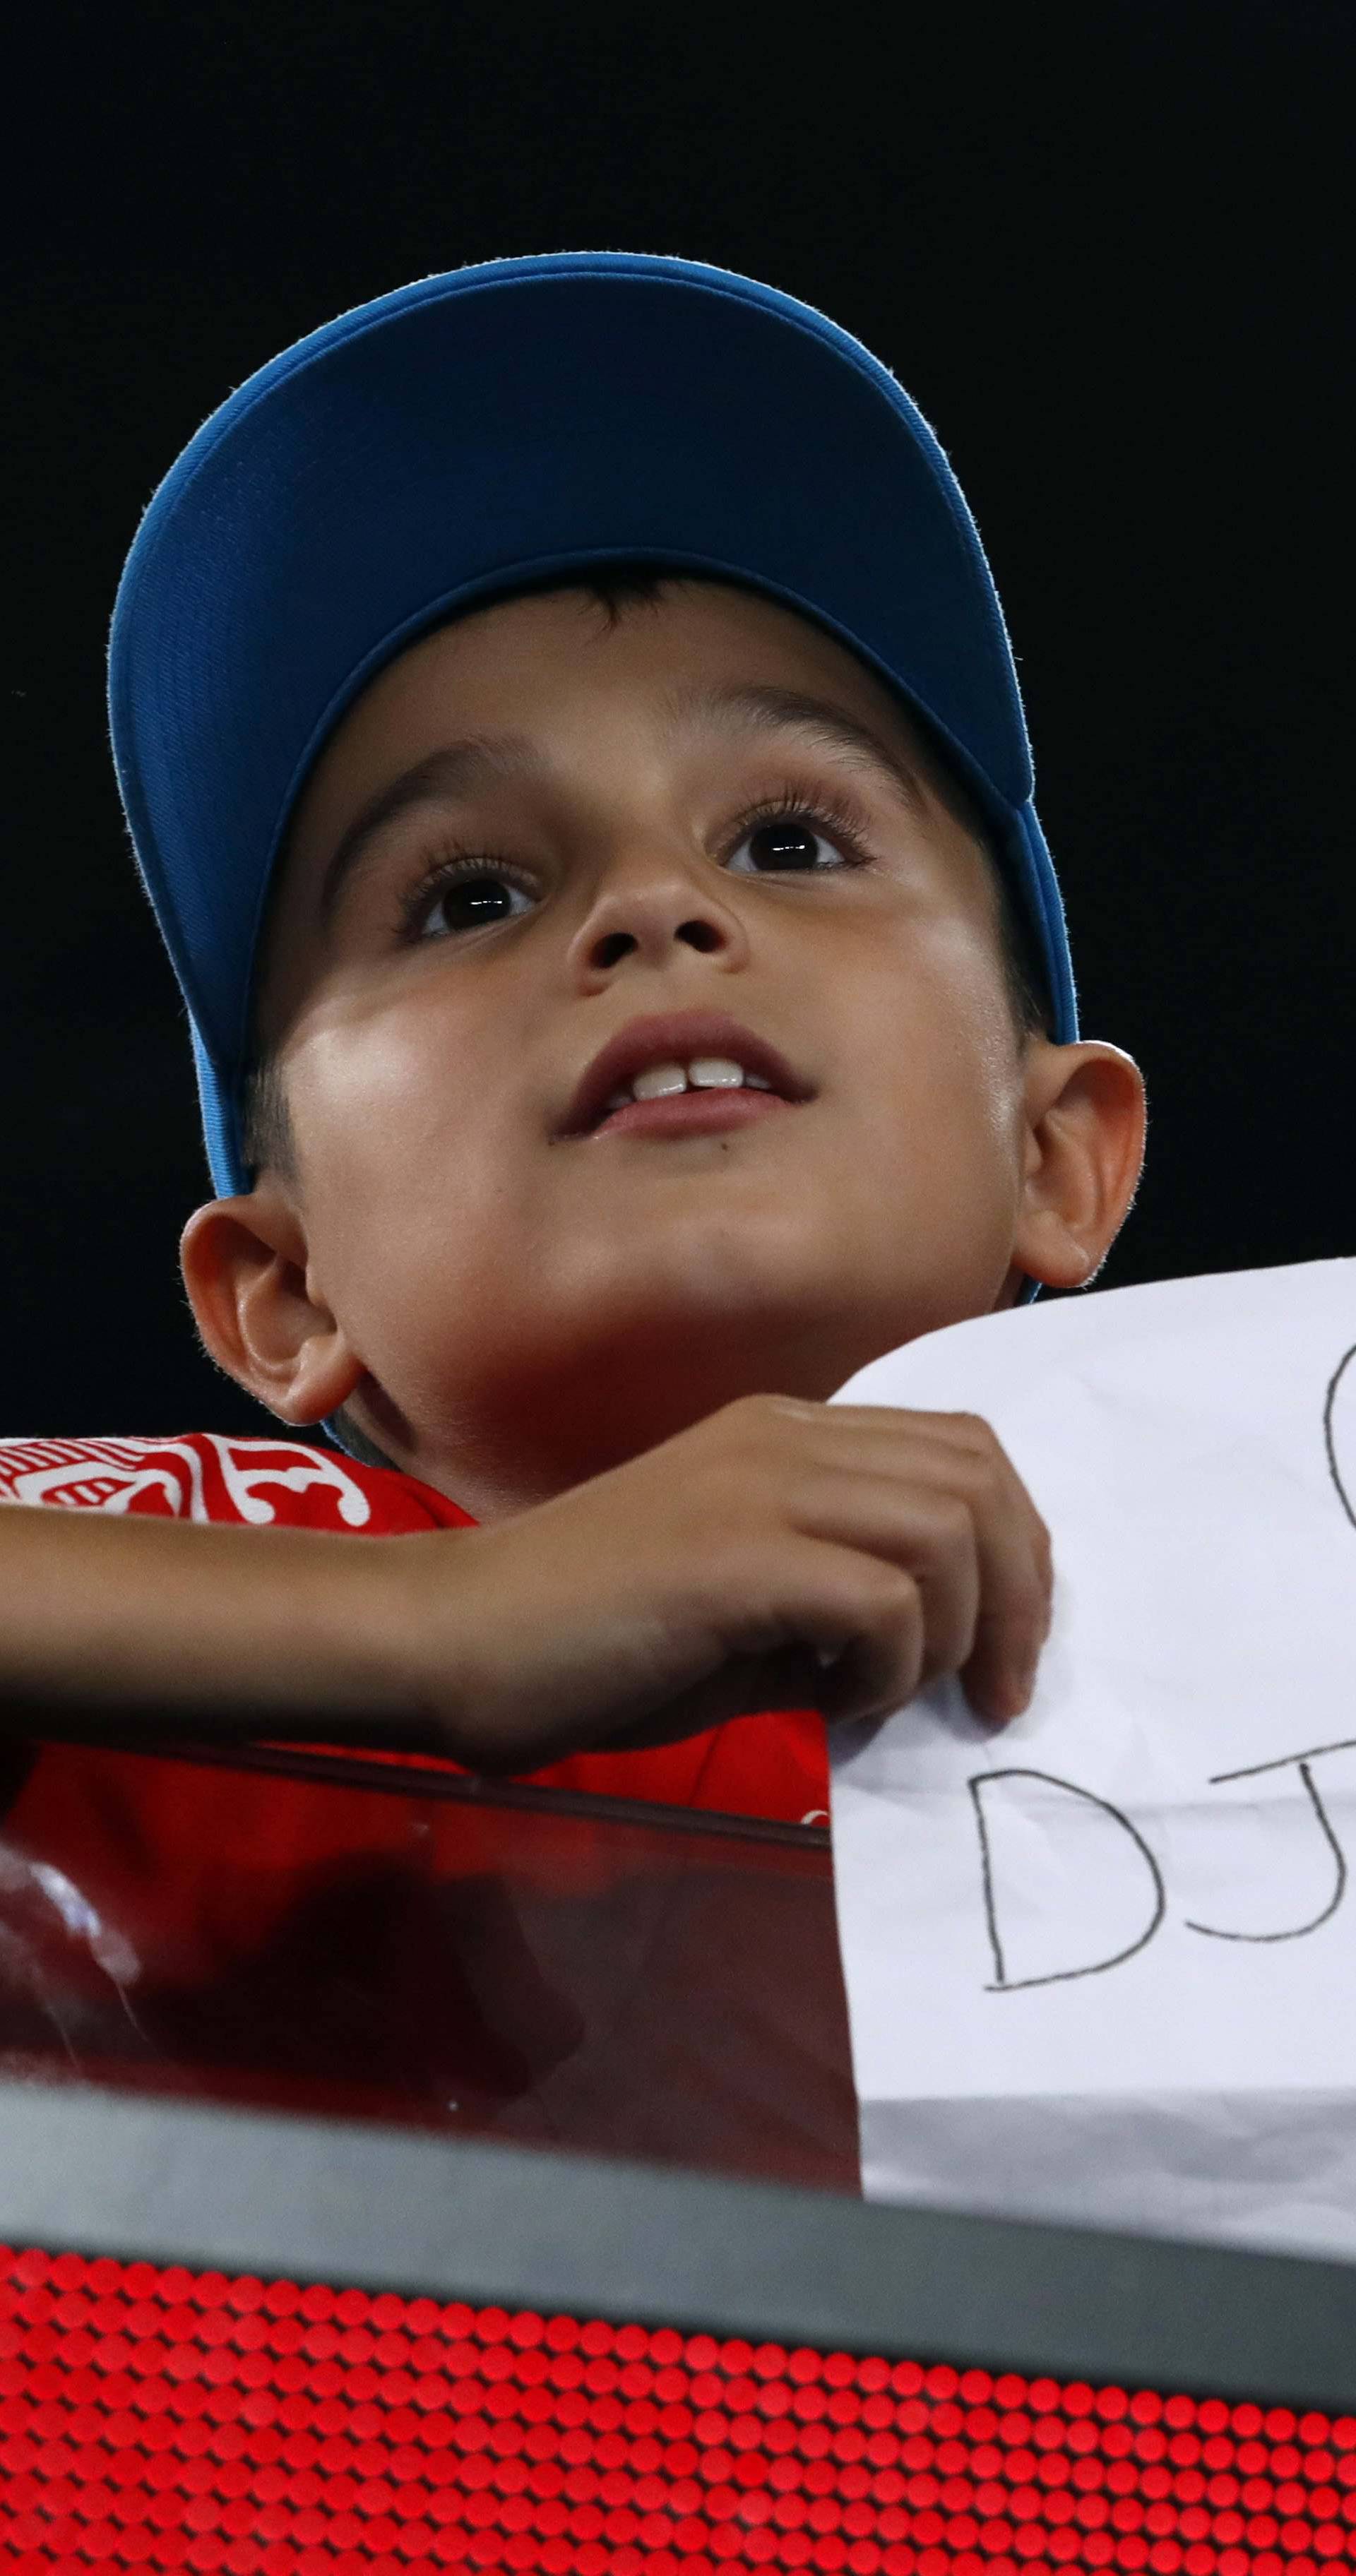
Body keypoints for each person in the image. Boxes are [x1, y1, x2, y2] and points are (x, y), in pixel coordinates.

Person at [0, 254, 1144, 1864]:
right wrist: (442, 1623)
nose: (656, 905)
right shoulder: (144, 1600)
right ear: (288, 1290)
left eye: (792, 841)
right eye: (469, 896)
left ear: (1056, 1154)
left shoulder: (1267, 1672)